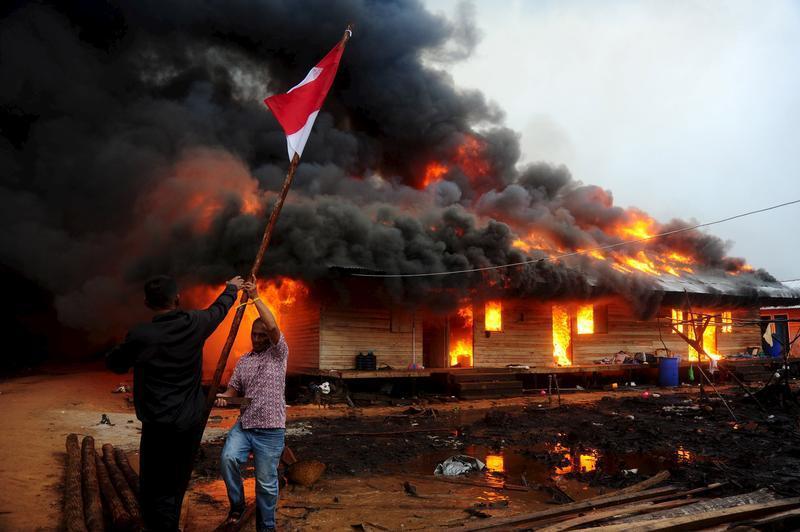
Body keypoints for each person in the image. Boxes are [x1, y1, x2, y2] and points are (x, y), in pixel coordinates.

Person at [107, 274, 244, 531]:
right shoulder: (195, 323)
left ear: (147, 304)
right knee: (174, 485)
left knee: (152, 484)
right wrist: (231, 288)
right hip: (187, 424)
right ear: (178, 298)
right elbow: (219, 309)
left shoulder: (141, 335)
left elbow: (115, 363)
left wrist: (125, 349)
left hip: (157, 425)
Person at [215, 276, 288, 532]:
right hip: (245, 427)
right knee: (228, 459)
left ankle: (266, 528)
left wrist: (256, 296)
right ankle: (237, 504)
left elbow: (272, 325)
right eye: (253, 334)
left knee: (266, 484)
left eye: (261, 334)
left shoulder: (279, 354)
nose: (257, 338)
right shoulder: (244, 361)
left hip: (271, 431)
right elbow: (233, 389)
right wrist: (224, 398)